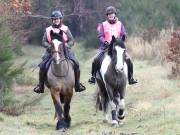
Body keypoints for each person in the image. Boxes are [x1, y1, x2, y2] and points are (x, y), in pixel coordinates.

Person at [33, 10, 86, 93]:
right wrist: (50, 46)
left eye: (57, 19)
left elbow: (71, 40)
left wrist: (66, 46)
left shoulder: (65, 28)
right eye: (54, 19)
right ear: (52, 20)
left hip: (64, 51)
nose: (56, 20)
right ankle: (40, 86)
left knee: (76, 63)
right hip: (51, 51)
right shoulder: (48, 30)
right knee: (42, 65)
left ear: (60, 19)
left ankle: (77, 84)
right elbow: (43, 42)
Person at [88, 6, 138, 85]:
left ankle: (130, 78)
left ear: (115, 14)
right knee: (95, 59)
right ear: (107, 15)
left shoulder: (120, 24)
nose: (110, 15)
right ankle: (93, 77)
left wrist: (123, 37)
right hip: (106, 47)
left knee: (129, 60)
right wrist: (105, 41)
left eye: (112, 14)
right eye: (109, 14)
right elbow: (100, 36)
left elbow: (124, 33)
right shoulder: (103, 24)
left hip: (118, 47)